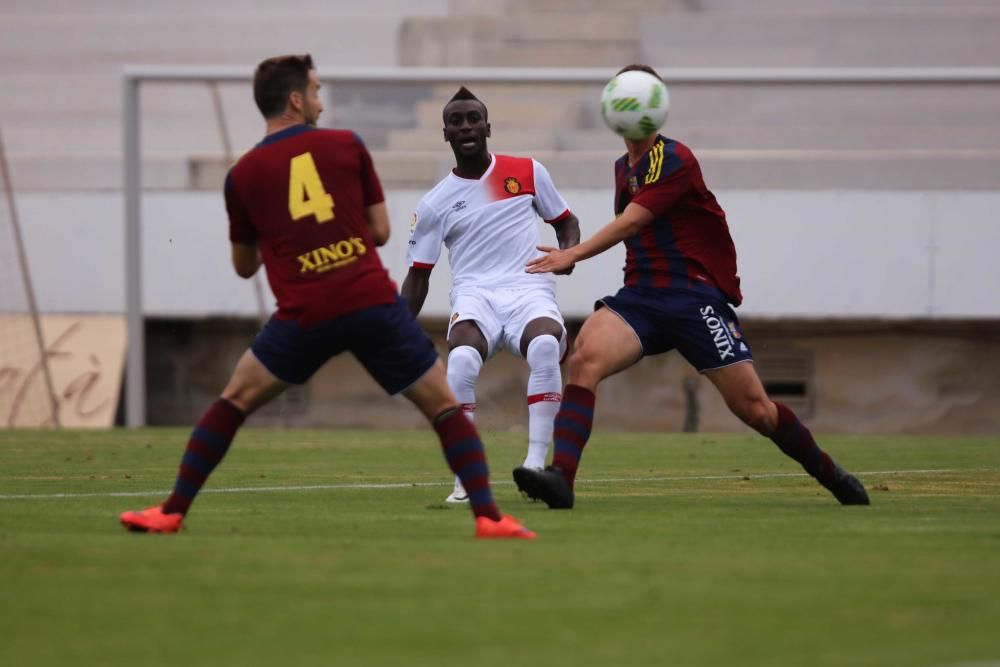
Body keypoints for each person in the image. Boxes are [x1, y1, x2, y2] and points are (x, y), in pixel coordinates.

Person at [119, 54, 535, 539]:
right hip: (368, 301)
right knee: (443, 405)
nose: (320, 99)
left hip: (304, 311)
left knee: (234, 400)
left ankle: (171, 511)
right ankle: (488, 518)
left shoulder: (244, 175)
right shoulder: (345, 145)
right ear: (296, 99)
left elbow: (244, 265)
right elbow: (379, 231)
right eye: (315, 90)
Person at [512, 64, 869, 509]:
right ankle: (561, 479)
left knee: (756, 409)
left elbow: (634, 221)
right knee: (584, 357)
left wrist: (573, 253)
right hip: (641, 298)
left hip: (693, 299)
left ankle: (831, 474)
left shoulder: (674, 158)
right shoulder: (623, 166)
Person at [401, 87, 580, 503]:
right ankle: (465, 478)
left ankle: (535, 466)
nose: (466, 127)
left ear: (488, 127)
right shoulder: (434, 205)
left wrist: (568, 254)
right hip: (475, 295)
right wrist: (393, 327)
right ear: (445, 133)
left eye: (473, 119)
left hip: (528, 288)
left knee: (543, 347)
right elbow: (418, 278)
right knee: (461, 359)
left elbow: (566, 221)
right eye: (457, 121)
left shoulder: (528, 171)